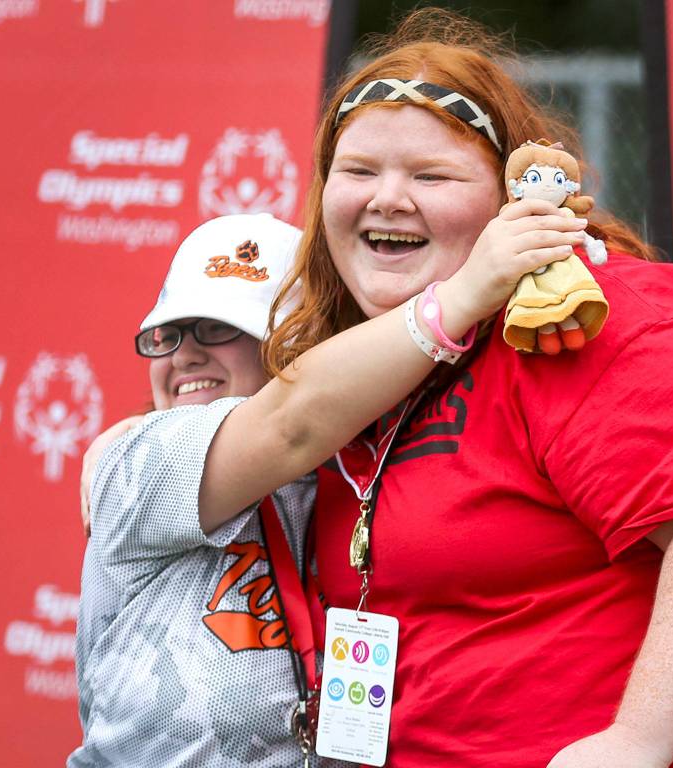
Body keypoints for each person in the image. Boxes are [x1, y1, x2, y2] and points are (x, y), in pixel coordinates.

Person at [262, 9, 673, 768]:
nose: (387, 198)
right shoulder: (358, 362)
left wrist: (636, 743)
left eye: (432, 175)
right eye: (358, 171)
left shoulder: (587, 314)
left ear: (513, 200)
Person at [70, 210, 576, 767]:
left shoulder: (362, 462)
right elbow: (288, 424)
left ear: (299, 348)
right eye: (165, 336)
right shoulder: (134, 465)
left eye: (217, 329)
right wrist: (460, 298)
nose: (183, 354)